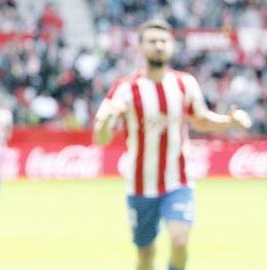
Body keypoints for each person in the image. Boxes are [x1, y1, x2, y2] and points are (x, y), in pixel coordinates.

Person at [93, 18, 252, 270]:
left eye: (163, 41)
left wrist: (229, 121)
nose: (158, 46)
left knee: (180, 242)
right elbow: (100, 138)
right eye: (152, 41)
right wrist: (108, 119)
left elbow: (200, 120)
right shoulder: (125, 88)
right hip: (140, 185)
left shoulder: (184, 83)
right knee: (146, 254)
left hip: (177, 181)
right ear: (141, 47)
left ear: (172, 45)